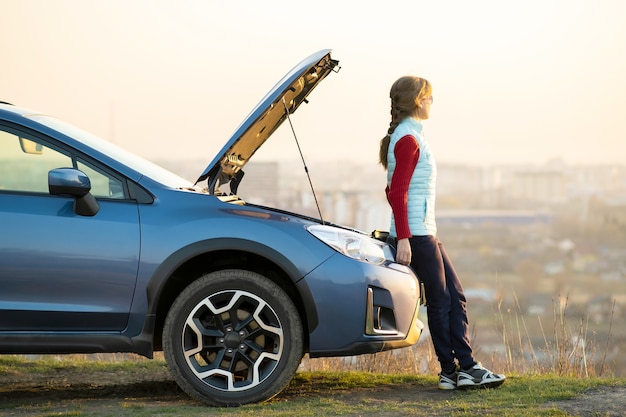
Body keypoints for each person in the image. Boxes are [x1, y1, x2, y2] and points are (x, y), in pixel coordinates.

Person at [379, 76, 505, 390]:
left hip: (423, 231)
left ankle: (460, 370)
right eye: (430, 97)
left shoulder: (410, 136)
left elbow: (391, 190)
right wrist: (405, 237)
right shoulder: (408, 138)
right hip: (418, 235)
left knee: (454, 296)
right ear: (418, 101)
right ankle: (457, 369)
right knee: (441, 300)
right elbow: (397, 191)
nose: (433, 103)